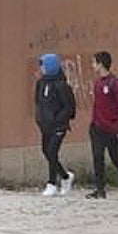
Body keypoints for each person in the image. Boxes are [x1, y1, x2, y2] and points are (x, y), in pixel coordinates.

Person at [86, 50, 118, 200]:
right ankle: (100, 189)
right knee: (97, 157)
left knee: (116, 158)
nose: (93, 65)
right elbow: (97, 105)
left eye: (94, 62)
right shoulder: (97, 83)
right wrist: (93, 122)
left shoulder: (114, 83)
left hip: (112, 128)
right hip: (97, 127)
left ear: (101, 64)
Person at [34, 53, 77, 196]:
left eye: (43, 65)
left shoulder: (62, 86)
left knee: (52, 152)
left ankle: (52, 183)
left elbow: (69, 107)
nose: (42, 68)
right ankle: (65, 176)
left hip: (59, 126)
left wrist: (57, 119)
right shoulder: (41, 83)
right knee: (46, 152)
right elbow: (38, 102)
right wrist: (39, 117)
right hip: (45, 125)